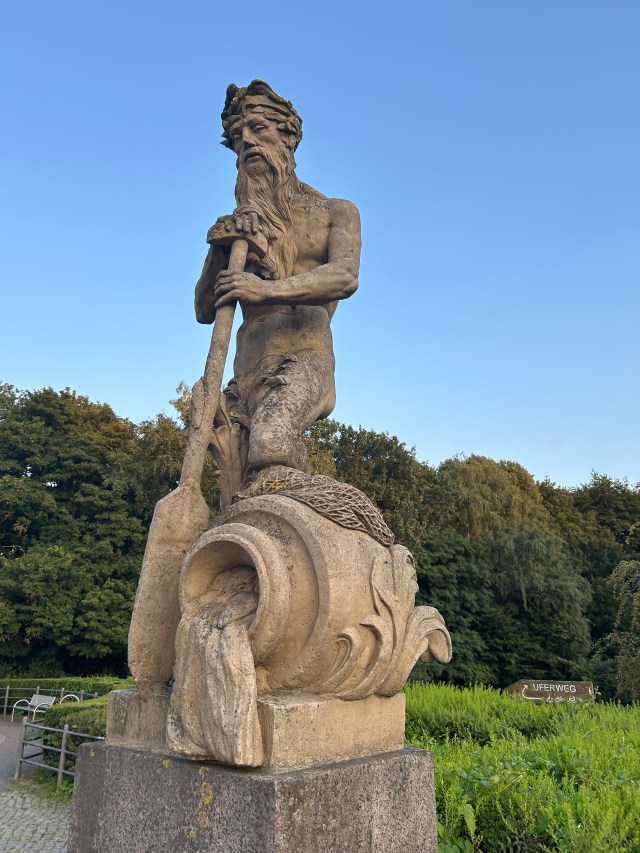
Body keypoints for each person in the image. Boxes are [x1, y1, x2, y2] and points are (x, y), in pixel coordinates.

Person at [194, 80, 361, 477]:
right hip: (243, 373)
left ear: (288, 137)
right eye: (239, 137)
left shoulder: (335, 213)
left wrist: (265, 289)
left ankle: (312, 509)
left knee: (271, 443)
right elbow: (204, 310)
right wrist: (220, 250)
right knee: (235, 477)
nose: (248, 143)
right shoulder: (241, 227)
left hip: (302, 358)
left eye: (258, 129)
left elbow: (344, 277)